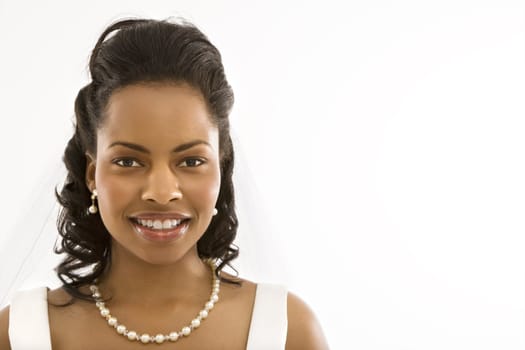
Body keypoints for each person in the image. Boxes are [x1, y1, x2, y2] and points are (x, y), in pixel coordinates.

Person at [0, 18, 328, 349]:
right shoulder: (21, 334)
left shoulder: (287, 331)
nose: (160, 192)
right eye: (128, 162)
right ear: (91, 173)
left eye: (191, 161)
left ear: (221, 166)